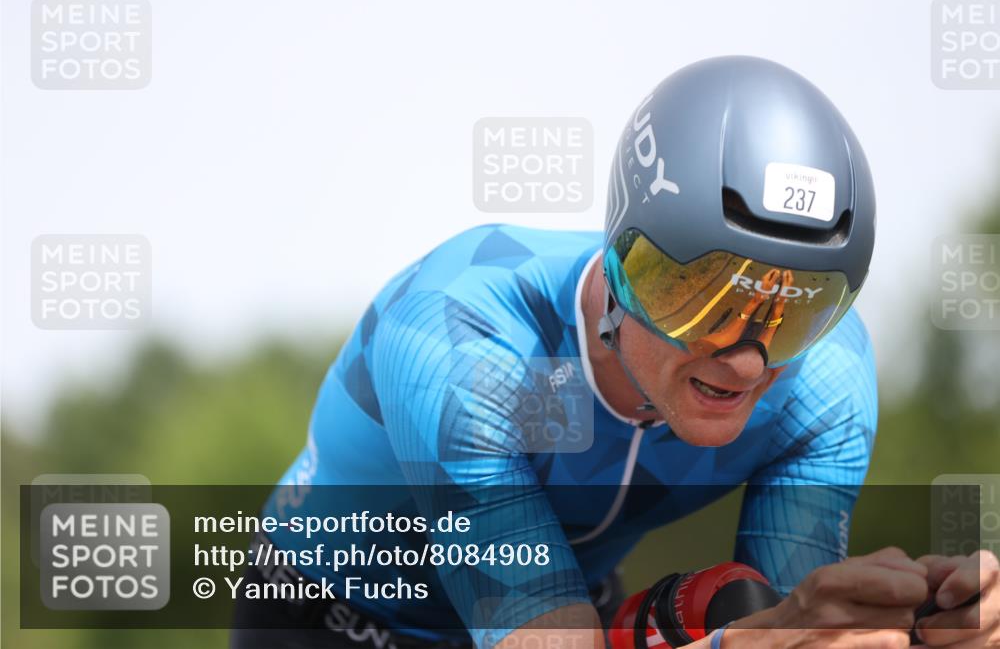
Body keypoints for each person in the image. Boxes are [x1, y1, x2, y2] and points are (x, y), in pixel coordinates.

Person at [230, 56, 999, 649]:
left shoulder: (826, 377)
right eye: (703, 296)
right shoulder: (459, 334)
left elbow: (786, 622)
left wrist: (914, 623)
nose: (745, 362)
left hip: (578, 604)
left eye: (794, 312)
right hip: (337, 617)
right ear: (627, 265)